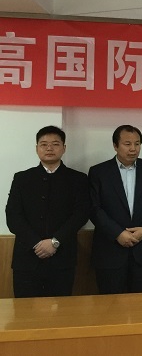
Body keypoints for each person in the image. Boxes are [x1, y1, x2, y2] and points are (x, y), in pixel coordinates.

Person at [5, 125, 90, 297]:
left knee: (61, 309)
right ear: (36, 148)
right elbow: (13, 216)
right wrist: (36, 243)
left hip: (62, 258)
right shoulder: (22, 178)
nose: (49, 148)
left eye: (55, 144)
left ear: (64, 148)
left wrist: (55, 242)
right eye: (44, 144)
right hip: (27, 259)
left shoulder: (78, 179)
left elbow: (81, 214)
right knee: (24, 310)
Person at [88, 125, 142, 294]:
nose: (133, 149)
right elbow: (94, 208)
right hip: (110, 250)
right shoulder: (99, 172)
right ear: (115, 146)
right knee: (110, 304)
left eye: (137, 143)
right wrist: (117, 233)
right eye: (127, 144)